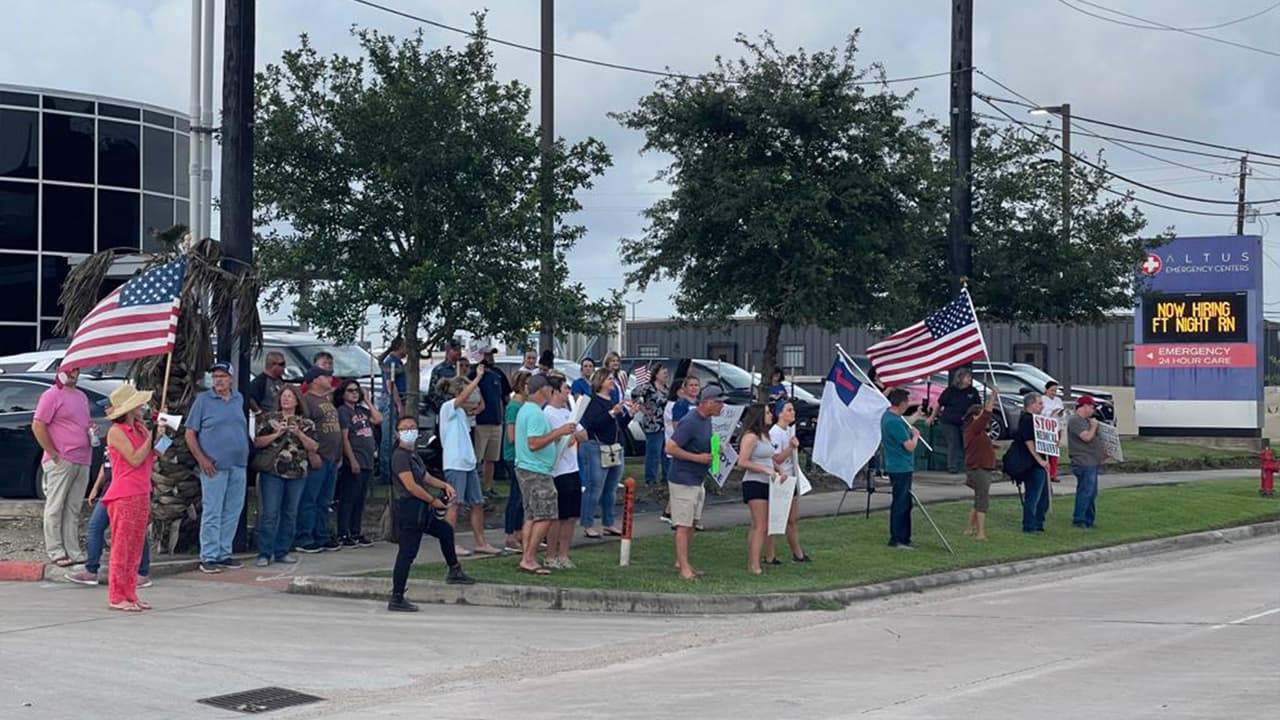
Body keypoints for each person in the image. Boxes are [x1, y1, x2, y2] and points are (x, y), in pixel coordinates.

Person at [388, 416, 475, 612]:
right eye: (405, 428)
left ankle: (454, 570)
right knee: (407, 553)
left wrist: (444, 485)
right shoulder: (400, 456)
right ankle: (397, 596)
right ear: (397, 433)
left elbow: (425, 477)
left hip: (420, 508)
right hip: (411, 509)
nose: (409, 431)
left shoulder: (413, 455)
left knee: (445, 530)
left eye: (412, 427)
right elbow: (411, 486)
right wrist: (433, 501)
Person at [100, 385, 165, 611]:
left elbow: (156, 454)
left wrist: (161, 435)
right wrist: (151, 438)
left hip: (141, 491)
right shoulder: (116, 432)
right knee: (122, 545)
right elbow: (135, 459)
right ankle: (117, 596)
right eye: (138, 404)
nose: (142, 407)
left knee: (136, 545)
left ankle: (130, 592)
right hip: (124, 493)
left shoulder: (140, 428)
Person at [186, 362, 250, 573]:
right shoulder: (203, 401)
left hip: (238, 464)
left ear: (231, 378)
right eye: (215, 376)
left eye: (222, 376)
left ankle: (224, 552)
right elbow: (190, 433)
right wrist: (202, 459)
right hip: (214, 466)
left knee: (232, 510)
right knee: (213, 510)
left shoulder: (238, 399)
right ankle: (209, 555)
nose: (218, 380)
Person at [514, 374, 578, 575]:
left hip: (529, 468)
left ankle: (527, 556)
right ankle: (529, 558)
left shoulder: (527, 409)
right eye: (550, 389)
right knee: (545, 515)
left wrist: (557, 439)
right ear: (543, 390)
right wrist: (559, 433)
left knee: (532, 515)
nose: (552, 393)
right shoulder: (535, 413)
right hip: (536, 470)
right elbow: (533, 443)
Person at [32, 367, 93, 567]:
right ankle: (56, 550)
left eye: (77, 369)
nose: (73, 373)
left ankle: (73, 550)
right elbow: (38, 425)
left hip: (83, 458)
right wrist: (54, 453)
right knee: (56, 506)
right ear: (59, 371)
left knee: (73, 507)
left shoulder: (81, 396)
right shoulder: (51, 395)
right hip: (62, 459)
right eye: (69, 369)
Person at [252, 385, 318, 567]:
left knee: (290, 513)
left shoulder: (306, 423)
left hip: (297, 472)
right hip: (273, 471)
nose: (286, 399)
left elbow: (314, 447)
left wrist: (299, 433)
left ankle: (282, 550)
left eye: (290, 396)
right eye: (283, 396)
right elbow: (257, 442)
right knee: (270, 513)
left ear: (297, 400)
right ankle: (265, 552)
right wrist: (277, 434)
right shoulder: (268, 419)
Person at [439, 369, 502, 555]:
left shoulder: (463, 414)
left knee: (477, 502)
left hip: (468, 463)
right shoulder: (448, 407)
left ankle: (480, 542)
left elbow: (480, 406)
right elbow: (463, 397)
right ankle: (449, 543)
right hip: (455, 463)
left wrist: (479, 389)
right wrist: (478, 378)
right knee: (454, 503)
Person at [65, 457, 152, 587]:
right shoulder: (112, 438)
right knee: (95, 527)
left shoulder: (134, 438)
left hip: (127, 487)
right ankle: (91, 570)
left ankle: (142, 572)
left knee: (135, 529)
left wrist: (154, 439)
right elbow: (106, 462)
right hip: (110, 488)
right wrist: (96, 487)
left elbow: (146, 456)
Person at [667, 383, 724, 580]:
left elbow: (703, 443)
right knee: (683, 524)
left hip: (697, 479)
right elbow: (671, 447)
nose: (722, 407)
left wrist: (716, 450)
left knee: (692, 523)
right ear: (708, 402)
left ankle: (683, 562)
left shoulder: (707, 420)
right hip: (683, 478)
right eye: (719, 403)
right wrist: (697, 458)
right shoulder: (690, 421)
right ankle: (683, 569)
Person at [294, 367, 342, 553]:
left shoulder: (327, 401)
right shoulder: (308, 402)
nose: (330, 379)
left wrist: (339, 455)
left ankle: (322, 534)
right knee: (310, 499)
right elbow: (306, 429)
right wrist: (312, 454)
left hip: (332, 457)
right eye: (325, 376)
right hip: (318, 456)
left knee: (325, 500)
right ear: (315, 380)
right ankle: (304, 536)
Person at [542, 375, 586, 568]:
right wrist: (567, 435)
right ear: (555, 391)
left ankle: (564, 554)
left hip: (573, 467)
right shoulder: (548, 414)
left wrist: (574, 434)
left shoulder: (568, 412)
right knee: (557, 516)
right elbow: (557, 440)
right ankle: (550, 555)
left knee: (571, 515)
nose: (568, 392)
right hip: (558, 470)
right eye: (565, 388)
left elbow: (582, 434)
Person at [579, 368, 628, 539]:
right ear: (600, 381)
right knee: (595, 488)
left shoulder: (612, 399)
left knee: (611, 488)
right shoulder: (592, 401)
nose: (612, 381)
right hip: (597, 447)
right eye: (609, 379)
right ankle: (587, 524)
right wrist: (611, 413)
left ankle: (608, 523)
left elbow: (618, 424)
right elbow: (593, 425)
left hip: (615, 447)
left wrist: (628, 415)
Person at [336, 379, 382, 548]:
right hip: (355, 460)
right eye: (350, 390)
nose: (354, 393)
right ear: (343, 394)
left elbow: (378, 419)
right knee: (349, 498)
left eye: (356, 391)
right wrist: (352, 459)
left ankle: (355, 530)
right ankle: (343, 532)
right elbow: (345, 437)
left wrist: (368, 401)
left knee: (360, 498)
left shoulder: (362, 410)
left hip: (368, 460)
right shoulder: (343, 411)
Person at [766, 399, 808, 563]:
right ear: (780, 413)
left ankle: (797, 552)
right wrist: (790, 448)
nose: (793, 413)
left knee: (793, 518)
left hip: (792, 477)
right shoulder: (775, 432)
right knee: (776, 517)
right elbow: (776, 458)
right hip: (781, 478)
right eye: (789, 410)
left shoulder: (789, 431)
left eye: (793, 410)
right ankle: (770, 554)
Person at [737, 405, 777, 575]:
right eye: (767, 413)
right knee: (759, 525)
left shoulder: (765, 436)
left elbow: (768, 457)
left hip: (769, 482)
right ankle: (753, 564)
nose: (771, 415)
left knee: (764, 524)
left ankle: (757, 559)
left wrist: (778, 469)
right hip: (755, 482)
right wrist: (764, 470)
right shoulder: (750, 437)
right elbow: (742, 462)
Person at [880, 387, 921, 549]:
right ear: (901, 404)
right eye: (907, 402)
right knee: (901, 503)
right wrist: (916, 436)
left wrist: (917, 415)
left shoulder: (890, 417)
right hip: (900, 467)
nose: (908, 405)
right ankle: (897, 538)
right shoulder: (893, 422)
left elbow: (906, 423)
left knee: (905, 502)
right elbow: (909, 446)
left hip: (899, 466)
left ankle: (905, 537)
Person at [662, 376, 702, 527]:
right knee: (682, 486)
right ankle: (681, 518)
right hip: (683, 449)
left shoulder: (699, 404)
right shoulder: (680, 405)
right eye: (690, 385)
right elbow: (677, 427)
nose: (694, 388)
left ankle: (688, 517)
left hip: (699, 450)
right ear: (684, 388)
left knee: (698, 489)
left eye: (696, 385)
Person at [961, 387, 1000, 541]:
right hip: (979, 469)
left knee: (979, 499)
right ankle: (980, 533)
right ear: (975, 416)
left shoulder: (978, 432)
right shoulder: (974, 427)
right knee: (983, 501)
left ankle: (969, 529)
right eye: (981, 415)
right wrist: (993, 397)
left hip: (982, 468)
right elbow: (987, 413)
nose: (985, 420)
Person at [472, 348, 510, 498]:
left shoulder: (498, 375)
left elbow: (504, 397)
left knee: (491, 458)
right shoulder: (473, 375)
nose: (491, 357)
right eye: (487, 354)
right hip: (481, 423)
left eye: (492, 354)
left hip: (496, 422)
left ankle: (488, 487)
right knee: (476, 459)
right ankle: (475, 490)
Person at [1012, 392, 1052, 533]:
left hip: (1039, 463)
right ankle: (1029, 525)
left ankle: (1038, 523)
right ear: (1031, 404)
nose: (1042, 406)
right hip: (1032, 464)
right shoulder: (1027, 420)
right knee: (1033, 496)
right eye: (1040, 403)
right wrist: (1040, 460)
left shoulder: (1036, 419)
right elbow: (1029, 442)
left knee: (1044, 497)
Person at [502, 371, 531, 552]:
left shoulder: (525, 405)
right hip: (514, 455)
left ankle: (520, 531)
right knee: (515, 496)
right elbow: (511, 436)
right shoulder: (514, 407)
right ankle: (510, 534)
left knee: (522, 496)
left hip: (522, 456)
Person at [934, 369, 981, 475]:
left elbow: (978, 406)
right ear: (960, 378)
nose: (969, 379)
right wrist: (932, 417)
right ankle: (952, 466)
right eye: (967, 377)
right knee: (953, 442)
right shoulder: (950, 391)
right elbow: (939, 404)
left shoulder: (972, 391)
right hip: (949, 421)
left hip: (966, 422)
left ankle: (968, 465)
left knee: (967, 443)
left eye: (970, 377)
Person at [1068, 396, 1104, 529]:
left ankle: (1089, 519)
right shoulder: (1075, 421)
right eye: (1091, 406)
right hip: (1083, 461)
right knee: (1086, 490)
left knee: (1092, 492)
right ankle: (1079, 519)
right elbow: (1087, 437)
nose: (1093, 410)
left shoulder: (1086, 421)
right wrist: (1094, 426)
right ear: (1084, 406)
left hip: (1092, 461)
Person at [632, 362, 669, 486]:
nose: (666, 375)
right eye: (664, 373)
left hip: (665, 424)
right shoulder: (649, 387)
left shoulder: (666, 389)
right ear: (656, 374)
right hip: (653, 424)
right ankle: (650, 479)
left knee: (666, 453)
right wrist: (642, 408)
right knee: (654, 452)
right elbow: (634, 394)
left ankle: (666, 478)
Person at [379, 336, 408, 481]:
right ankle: (386, 474)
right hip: (390, 401)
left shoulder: (397, 363)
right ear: (400, 347)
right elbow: (391, 385)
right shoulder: (390, 363)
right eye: (405, 347)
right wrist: (399, 405)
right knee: (389, 438)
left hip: (395, 400)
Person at [426, 340, 462, 414]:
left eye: (459, 350)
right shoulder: (440, 370)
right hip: (447, 409)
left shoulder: (464, 367)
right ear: (448, 351)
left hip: (464, 408)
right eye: (455, 350)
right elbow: (433, 393)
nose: (458, 352)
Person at [1041, 381, 1066, 482]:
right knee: (1046, 451)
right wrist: (1051, 413)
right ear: (1046, 390)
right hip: (1046, 429)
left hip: (1056, 428)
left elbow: (1062, 414)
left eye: (1055, 390)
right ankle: (1045, 473)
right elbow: (1041, 413)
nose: (1054, 393)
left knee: (1055, 452)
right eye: (1052, 390)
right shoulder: (1042, 400)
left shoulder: (1058, 400)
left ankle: (1053, 474)